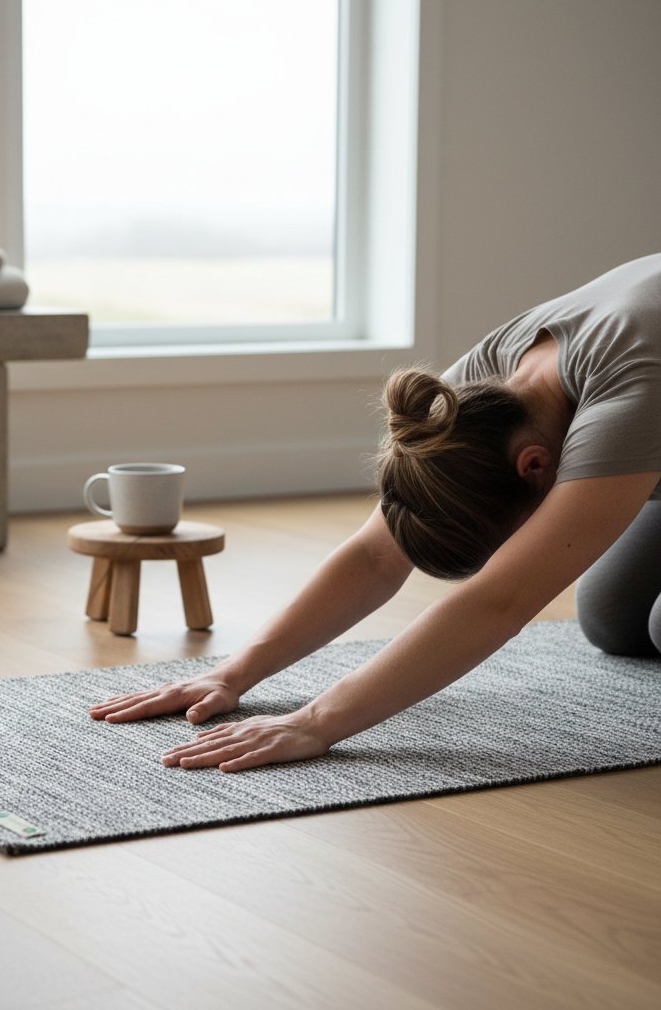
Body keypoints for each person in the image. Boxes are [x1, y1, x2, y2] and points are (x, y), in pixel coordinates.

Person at [89, 253, 661, 772]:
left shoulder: (632, 390)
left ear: (533, 467)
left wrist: (318, 722)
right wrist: (233, 673)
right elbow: (374, 555)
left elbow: (502, 598)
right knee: (615, 617)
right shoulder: (472, 393)